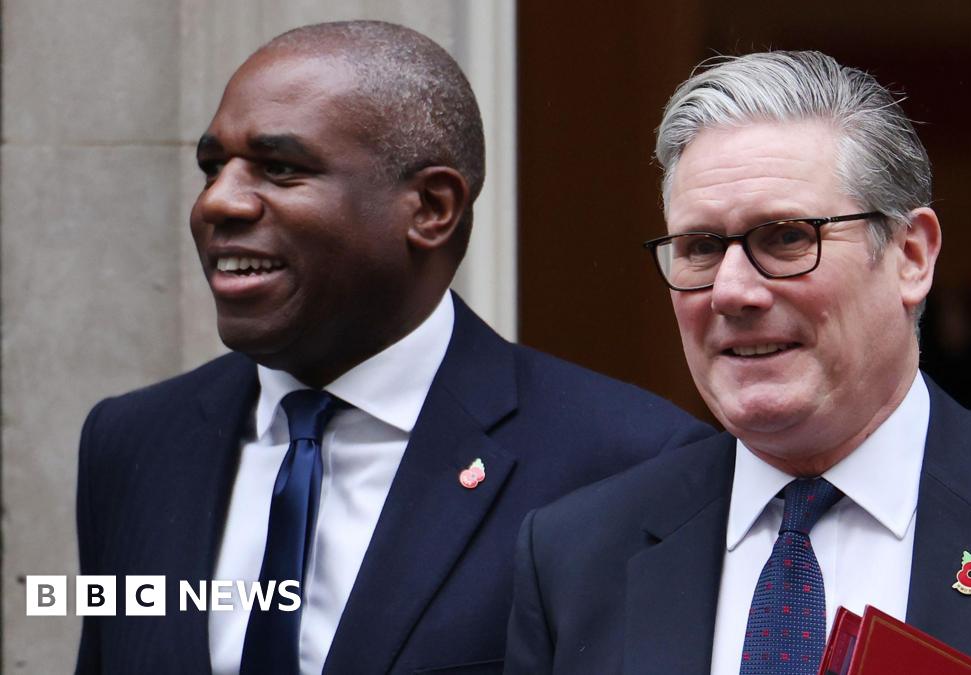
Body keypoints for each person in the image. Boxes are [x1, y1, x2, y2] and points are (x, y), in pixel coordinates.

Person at [505, 50, 971, 674]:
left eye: (784, 237)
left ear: (911, 255)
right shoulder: (575, 556)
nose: (733, 291)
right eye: (700, 248)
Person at [75, 20, 711, 675]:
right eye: (213, 167)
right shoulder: (132, 442)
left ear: (431, 207)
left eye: (280, 168)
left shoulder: (629, 463)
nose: (219, 201)